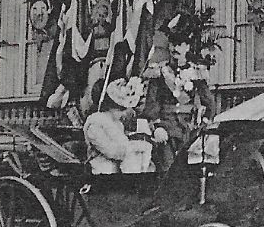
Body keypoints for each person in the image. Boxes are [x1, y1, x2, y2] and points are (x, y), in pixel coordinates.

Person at [141, 31, 215, 168]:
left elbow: (209, 103)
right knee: (167, 169)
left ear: (187, 47)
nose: (176, 49)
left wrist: (203, 123)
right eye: (173, 44)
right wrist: (157, 127)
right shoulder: (159, 72)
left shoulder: (197, 71)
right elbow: (152, 103)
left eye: (180, 45)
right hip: (166, 128)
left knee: (189, 172)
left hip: (190, 130)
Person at [85, 78, 155, 174]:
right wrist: (134, 147)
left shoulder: (117, 123)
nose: (124, 114)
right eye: (121, 110)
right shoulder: (95, 124)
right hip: (102, 168)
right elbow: (111, 151)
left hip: (119, 166)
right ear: (110, 107)